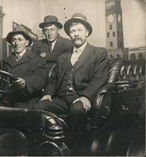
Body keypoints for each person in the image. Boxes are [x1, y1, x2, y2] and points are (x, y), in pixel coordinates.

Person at [32, 13, 109, 153]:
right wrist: (48, 94)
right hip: (62, 99)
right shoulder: (63, 57)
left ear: (87, 32)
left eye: (79, 30)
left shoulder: (99, 53)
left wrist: (86, 96)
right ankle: (46, 148)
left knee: (77, 111)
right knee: (37, 108)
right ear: (69, 35)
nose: (76, 34)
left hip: (80, 98)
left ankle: (71, 149)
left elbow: (100, 78)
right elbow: (53, 79)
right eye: (73, 31)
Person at [0, 25, 47, 108]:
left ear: (26, 43)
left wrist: (26, 82)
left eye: (20, 39)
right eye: (14, 40)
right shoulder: (4, 62)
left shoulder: (37, 60)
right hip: (7, 98)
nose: (17, 43)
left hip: (27, 99)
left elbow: (40, 79)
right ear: (11, 43)